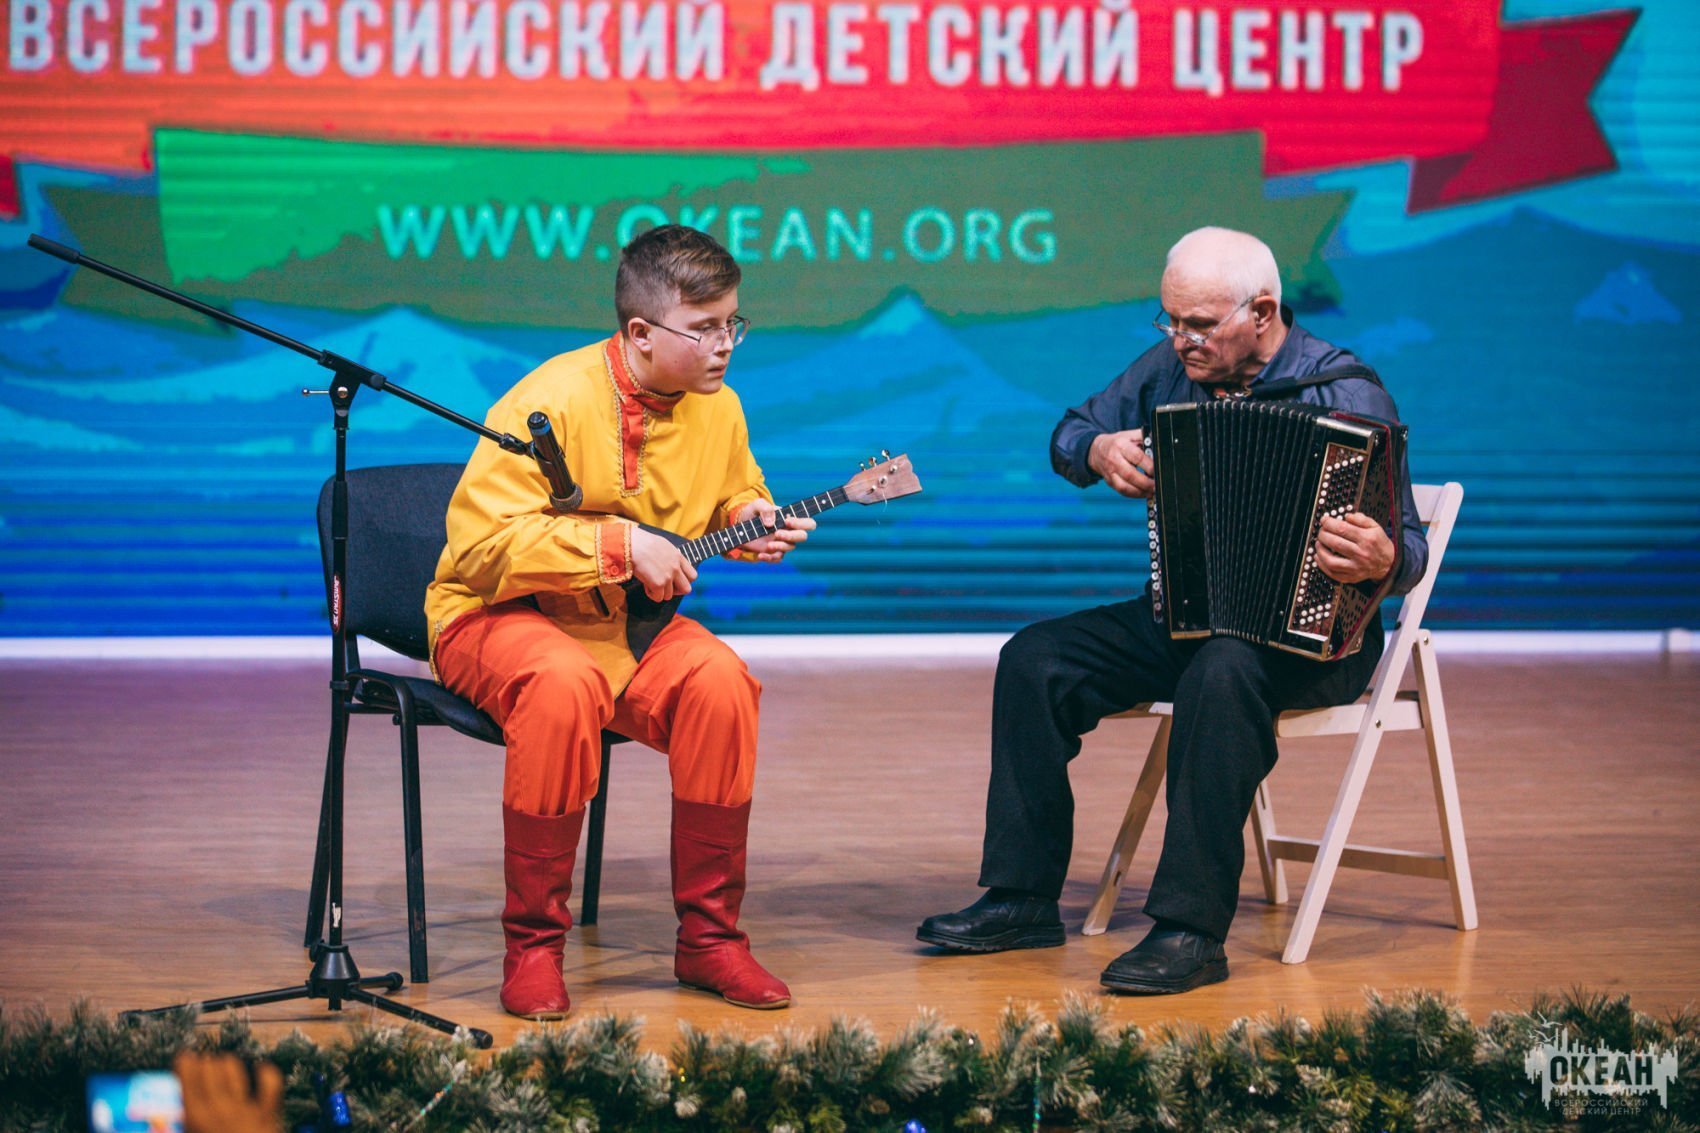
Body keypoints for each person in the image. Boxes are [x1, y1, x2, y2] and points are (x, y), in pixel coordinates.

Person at [916, 227, 1427, 993]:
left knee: (1223, 669)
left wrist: (1383, 558)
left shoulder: (1348, 392)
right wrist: (1098, 452)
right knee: (1035, 658)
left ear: (1262, 312)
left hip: (1315, 641)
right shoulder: (1170, 368)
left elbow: (1411, 547)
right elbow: (1070, 432)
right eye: (1170, 320)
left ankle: (1190, 930)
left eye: (1200, 324)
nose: (1180, 339)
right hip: (1186, 617)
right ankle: (1021, 896)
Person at [426, 225, 813, 1018]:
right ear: (639, 333)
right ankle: (533, 947)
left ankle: (710, 940)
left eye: (733, 323)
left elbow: (734, 489)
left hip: (621, 626)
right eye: (703, 327)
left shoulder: (720, 407)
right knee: (562, 685)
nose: (725, 345)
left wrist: (749, 517)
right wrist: (620, 544)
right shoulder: (550, 398)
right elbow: (481, 549)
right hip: (494, 614)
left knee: (722, 684)